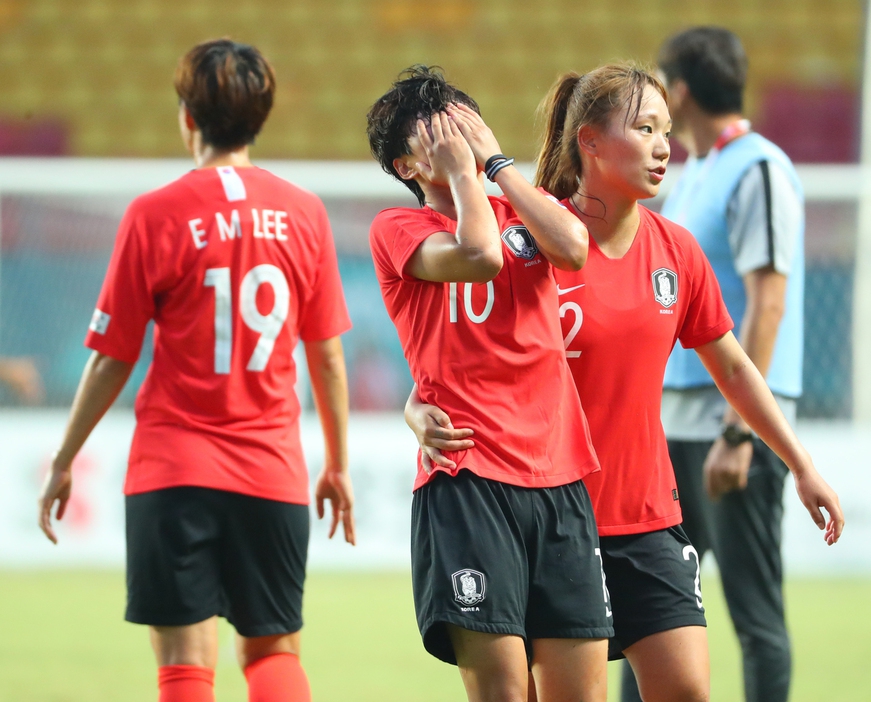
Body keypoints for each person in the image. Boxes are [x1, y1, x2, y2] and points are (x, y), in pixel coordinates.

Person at [406, 64, 844, 702]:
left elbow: (734, 367)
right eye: (645, 129)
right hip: (546, 517)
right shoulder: (531, 241)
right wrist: (416, 407)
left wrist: (800, 463)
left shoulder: (677, 251)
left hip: (643, 514)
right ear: (588, 141)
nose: (666, 146)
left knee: (688, 688)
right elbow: (459, 349)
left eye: (667, 130)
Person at [37, 39, 355, 702]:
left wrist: (65, 457)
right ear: (261, 116)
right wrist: (337, 464)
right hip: (271, 470)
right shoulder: (304, 213)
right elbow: (324, 351)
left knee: (184, 657)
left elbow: (112, 356)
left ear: (187, 116)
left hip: (174, 468)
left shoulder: (153, 214)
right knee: (272, 649)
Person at [367, 66, 613, 702]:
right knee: (504, 693)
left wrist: (496, 165)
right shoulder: (398, 228)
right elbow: (481, 255)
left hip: (558, 476)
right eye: (435, 131)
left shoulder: (524, 206)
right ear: (403, 163)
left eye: (461, 122)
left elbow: (575, 247)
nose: (454, 137)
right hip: (468, 481)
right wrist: (464, 178)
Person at [654, 27, 809, 702]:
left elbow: (766, 301)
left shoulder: (759, 168)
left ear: (679, 90)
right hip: (674, 426)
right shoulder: (693, 175)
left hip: (731, 430)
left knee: (753, 616)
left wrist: (737, 431)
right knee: (653, 611)